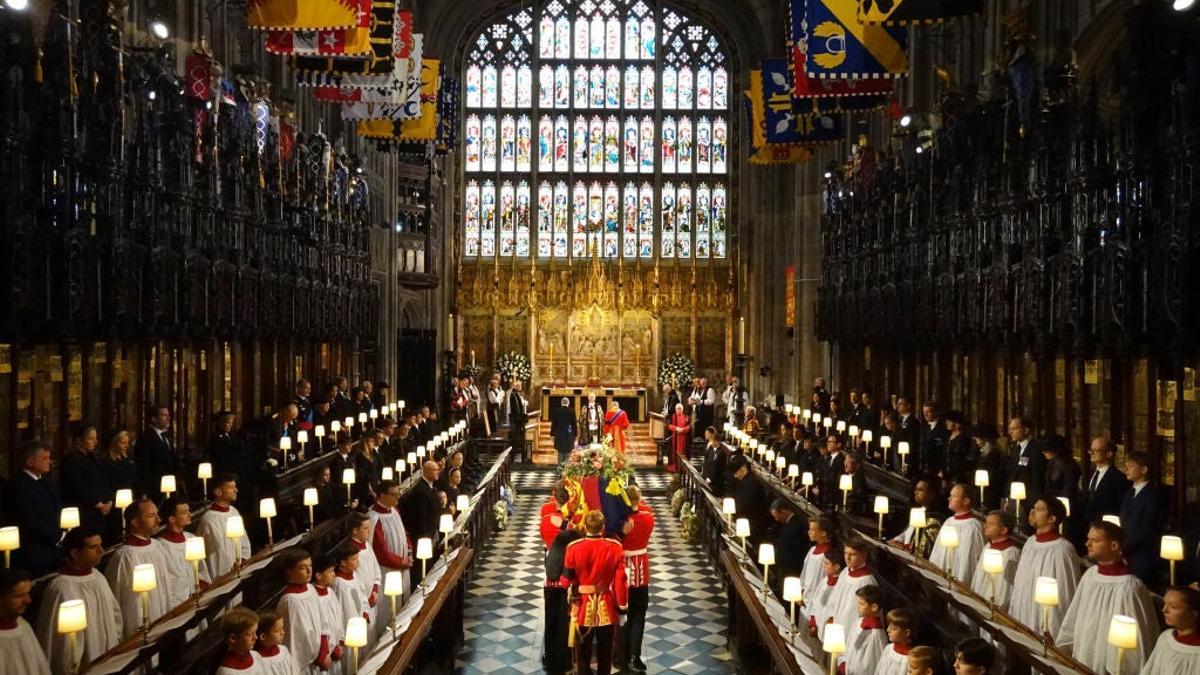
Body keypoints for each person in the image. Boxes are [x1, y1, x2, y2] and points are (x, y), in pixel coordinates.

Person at [1056, 520, 1158, 673]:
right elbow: (1075, 615)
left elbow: (1138, 641)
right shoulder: (1090, 575)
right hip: (1084, 653)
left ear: (1114, 546)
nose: (1087, 544)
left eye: (1095, 540)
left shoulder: (1130, 587)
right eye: (1088, 539)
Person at [35, 527, 122, 675]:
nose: (101, 551)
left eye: (100, 545)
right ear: (75, 553)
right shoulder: (61, 588)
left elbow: (114, 614)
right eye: (93, 547)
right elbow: (60, 642)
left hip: (107, 654)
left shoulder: (97, 576)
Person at [1008, 498, 1081, 639]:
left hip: (1045, 621)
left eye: (1039, 509)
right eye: (1033, 508)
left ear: (1052, 519)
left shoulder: (1063, 549)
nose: (1032, 512)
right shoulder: (1030, 542)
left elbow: (1065, 593)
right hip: (1023, 611)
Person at [563, 510, 624, 675]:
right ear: (603, 527)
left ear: (584, 527)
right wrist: (622, 607)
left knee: (582, 655)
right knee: (605, 655)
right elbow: (620, 581)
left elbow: (566, 580)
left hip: (582, 607)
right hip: (606, 605)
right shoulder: (615, 547)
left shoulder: (573, 548)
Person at [105, 499, 174, 637]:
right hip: (137, 621)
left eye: (157, 515)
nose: (158, 520)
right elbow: (118, 595)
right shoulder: (124, 556)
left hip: (161, 612)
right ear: (135, 522)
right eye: (151, 516)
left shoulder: (157, 546)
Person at [541, 483, 579, 675]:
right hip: (568, 577)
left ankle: (549, 656)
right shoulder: (575, 522)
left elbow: (545, 539)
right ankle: (565, 660)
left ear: (554, 496)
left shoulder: (546, 518)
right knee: (566, 619)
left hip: (551, 575)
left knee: (550, 617)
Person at [275, 550, 334, 673]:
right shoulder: (289, 601)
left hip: (319, 656)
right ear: (289, 572)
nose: (309, 571)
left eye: (310, 566)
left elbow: (322, 622)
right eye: (302, 567)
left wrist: (323, 652)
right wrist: (317, 656)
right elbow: (297, 640)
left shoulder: (311, 589)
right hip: (304, 664)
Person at [8, 439, 62, 574]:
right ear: (30, 461)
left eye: (49, 458)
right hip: (32, 550)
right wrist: (58, 535)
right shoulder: (18, 486)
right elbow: (29, 520)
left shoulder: (44, 480)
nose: (50, 461)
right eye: (44, 458)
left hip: (51, 547)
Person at [616, 485, 654, 673]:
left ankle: (621, 655)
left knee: (622, 613)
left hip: (622, 571)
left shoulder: (620, 522)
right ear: (639, 500)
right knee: (639, 614)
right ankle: (635, 655)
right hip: (640, 571)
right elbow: (645, 510)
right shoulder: (648, 518)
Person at [369, 480, 412, 633]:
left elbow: (404, 534)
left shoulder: (394, 511)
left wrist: (409, 552)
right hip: (387, 571)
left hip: (402, 566)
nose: (397, 498)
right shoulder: (374, 518)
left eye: (398, 494)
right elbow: (381, 553)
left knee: (403, 606)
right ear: (381, 495)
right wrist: (402, 563)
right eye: (393, 495)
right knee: (389, 610)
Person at [1119, 451, 1167, 585]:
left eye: (1131, 466)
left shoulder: (1153, 496)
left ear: (1144, 469)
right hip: (1125, 554)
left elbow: (1146, 529)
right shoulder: (1129, 492)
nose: (1126, 469)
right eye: (1125, 466)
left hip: (1142, 558)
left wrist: (1123, 548)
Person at [157, 496, 212, 609]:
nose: (190, 515)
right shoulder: (161, 547)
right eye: (184, 513)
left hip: (196, 598)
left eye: (189, 511)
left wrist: (202, 586)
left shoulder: (191, 538)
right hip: (177, 603)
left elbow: (201, 569)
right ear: (172, 519)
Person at [60, 423, 113, 533]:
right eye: (91, 438)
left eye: (96, 438)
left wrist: (109, 500)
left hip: (102, 508)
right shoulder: (71, 460)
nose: (95, 442)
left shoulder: (93, 457)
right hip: (86, 511)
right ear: (79, 440)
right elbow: (78, 487)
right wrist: (98, 504)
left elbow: (104, 480)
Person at [196, 475, 252, 580]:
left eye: (235, 487)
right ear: (218, 492)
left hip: (238, 571)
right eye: (231, 488)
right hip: (220, 575)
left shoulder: (234, 511)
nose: (236, 490)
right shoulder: (209, 519)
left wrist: (243, 559)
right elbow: (212, 552)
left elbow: (243, 541)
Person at [821, 538, 877, 639]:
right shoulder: (845, 572)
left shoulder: (866, 581)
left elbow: (859, 613)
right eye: (846, 553)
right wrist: (830, 617)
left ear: (864, 555)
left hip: (849, 630)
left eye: (853, 554)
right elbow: (835, 598)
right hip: (835, 624)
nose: (848, 558)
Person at [927, 484, 985, 584]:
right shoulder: (949, 521)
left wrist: (961, 584)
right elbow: (938, 551)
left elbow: (968, 561)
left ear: (966, 501)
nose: (949, 498)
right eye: (950, 495)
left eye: (953, 496)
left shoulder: (973, 526)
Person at [968, 511, 1020, 610]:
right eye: (986, 523)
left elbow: (1005, 588)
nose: (985, 526)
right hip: (980, 598)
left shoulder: (1011, 554)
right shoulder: (988, 546)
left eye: (990, 524)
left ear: (1003, 530)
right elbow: (979, 576)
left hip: (995, 606)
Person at [1142, 586, 1200, 674]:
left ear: (1194, 613)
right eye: (1164, 604)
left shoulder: (1196, 653)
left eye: (1173, 607)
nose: (1164, 610)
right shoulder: (1165, 638)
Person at [135, 404, 183, 503]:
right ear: (154, 419)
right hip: (156, 489)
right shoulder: (146, 438)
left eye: (168, 415)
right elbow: (144, 467)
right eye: (164, 415)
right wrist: (146, 493)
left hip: (170, 486)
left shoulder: (165, 436)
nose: (169, 418)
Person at [98, 429, 138, 543]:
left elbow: (133, 479)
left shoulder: (128, 459)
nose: (126, 446)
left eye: (127, 443)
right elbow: (106, 483)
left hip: (129, 498)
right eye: (123, 443)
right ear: (114, 443)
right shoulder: (105, 462)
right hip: (114, 502)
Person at [1081, 437, 1129, 525]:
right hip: (1085, 525)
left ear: (1109, 454)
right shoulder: (1089, 474)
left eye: (1097, 450)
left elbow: (1121, 506)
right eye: (1091, 450)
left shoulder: (1118, 478)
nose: (1092, 453)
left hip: (1105, 526)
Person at [346, 514, 382, 629]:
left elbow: (375, 568)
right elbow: (356, 578)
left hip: (373, 597)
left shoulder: (366, 545)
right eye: (365, 528)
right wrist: (367, 597)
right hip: (362, 602)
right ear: (355, 530)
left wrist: (375, 589)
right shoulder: (350, 552)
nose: (369, 531)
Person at [840, 585, 887, 675]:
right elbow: (849, 647)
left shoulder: (876, 635)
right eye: (858, 603)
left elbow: (872, 665)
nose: (858, 606)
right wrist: (843, 663)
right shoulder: (858, 622)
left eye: (862, 604)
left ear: (874, 607)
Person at [1005, 416, 1045, 521]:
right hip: (1014, 500)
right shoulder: (1016, 448)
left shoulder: (1036, 449)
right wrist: (1008, 499)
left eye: (1014, 429)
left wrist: (1034, 505)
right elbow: (1012, 475)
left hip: (1028, 503)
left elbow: (1037, 478)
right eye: (1010, 429)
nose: (1010, 432)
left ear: (1026, 430)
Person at [310, 555, 348, 657]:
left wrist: (340, 641)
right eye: (330, 571)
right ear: (318, 575)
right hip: (324, 652)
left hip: (336, 647)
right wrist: (330, 649)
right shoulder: (312, 597)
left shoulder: (330, 592)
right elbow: (320, 627)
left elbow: (338, 618)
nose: (334, 574)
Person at [331, 543, 369, 642]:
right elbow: (343, 610)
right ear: (343, 562)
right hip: (348, 630)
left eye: (358, 558)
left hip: (359, 623)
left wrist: (365, 611)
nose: (358, 562)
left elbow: (362, 595)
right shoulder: (339, 583)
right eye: (354, 559)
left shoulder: (354, 575)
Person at [770, 499, 810, 589]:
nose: (776, 519)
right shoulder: (787, 523)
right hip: (784, 567)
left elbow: (798, 550)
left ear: (783, 511)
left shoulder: (796, 525)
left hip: (791, 569)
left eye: (777, 516)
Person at [728, 455, 768, 543]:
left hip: (752, 526)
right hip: (744, 521)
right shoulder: (744, 481)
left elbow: (744, 505)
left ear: (743, 468)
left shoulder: (753, 483)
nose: (735, 476)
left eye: (736, 473)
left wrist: (730, 511)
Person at [216, 607, 265, 675]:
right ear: (233, 638)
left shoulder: (255, 656)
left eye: (255, 632)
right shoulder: (227, 672)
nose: (256, 637)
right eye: (250, 634)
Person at [806, 548, 844, 636]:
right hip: (816, 629)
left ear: (837, 567)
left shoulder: (841, 586)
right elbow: (815, 603)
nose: (823, 566)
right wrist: (813, 623)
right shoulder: (825, 580)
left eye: (827, 563)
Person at [802, 515, 839, 601]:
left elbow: (821, 580)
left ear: (823, 533)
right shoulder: (813, 549)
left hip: (816, 600)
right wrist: (802, 590)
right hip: (805, 597)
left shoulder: (827, 556)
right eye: (809, 529)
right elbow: (804, 572)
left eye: (812, 530)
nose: (809, 532)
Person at [255, 610, 302, 675]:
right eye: (277, 631)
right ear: (263, 636)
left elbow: (294, 671)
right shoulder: (257, 660)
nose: (283, 632)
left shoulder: (283, 650)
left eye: (282, 628)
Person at [873, 607, 915, 675]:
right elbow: (879, 670)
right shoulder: (889, 648)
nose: (888, 630)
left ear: (906, 632)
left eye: (893, 628)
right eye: (888, 626)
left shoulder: (908, 660)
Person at [942, 411, 977, 486]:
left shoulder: (964, 438)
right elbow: (944, 456)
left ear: (956, 423)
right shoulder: (948, 436)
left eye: (949, 421)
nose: (946, 423)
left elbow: (963, 459)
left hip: (958, 475)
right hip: (946, 475)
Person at [550, 397, 576, 465]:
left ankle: (560, 472)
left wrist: (552, 434)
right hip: (569, 434)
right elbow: (574, 424)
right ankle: (567, 472)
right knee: (568, 453)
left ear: (561, 403)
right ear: (568, 403)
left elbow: (554, 424)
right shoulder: (572, 411)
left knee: (560, 453)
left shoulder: (556, 410)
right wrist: (575, 435)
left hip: (559, 435)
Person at [665, 403, 690, 472]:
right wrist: (676, 428)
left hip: (683, 438)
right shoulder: (672, 417)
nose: (679, 410)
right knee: (674, 452)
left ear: (682, 409)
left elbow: (689, 427)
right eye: (677, 408)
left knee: (682, 453)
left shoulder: (686, 417)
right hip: (674, 439)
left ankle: (682, 468)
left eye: (680, 408)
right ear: (675, 409)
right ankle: (674, 467)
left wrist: (683, 429)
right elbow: (668, 425)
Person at [701, 427, 727, 494]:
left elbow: (718, 467)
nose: (711, 442)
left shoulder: (721, 452)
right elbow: (708, 463)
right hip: (708, 477)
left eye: (713, 441)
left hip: (716, 482)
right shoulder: (712, 450)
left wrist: (709, 479)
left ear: (717, 441)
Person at [509, 380, 530, 450]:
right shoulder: (514, 394)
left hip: (518, 417)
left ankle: (519, 446)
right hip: (517, 418)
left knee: (518, 432)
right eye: (520, 386)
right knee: (517, 433)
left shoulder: (516, 394)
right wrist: (521, 417)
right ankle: (517, 447)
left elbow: (520, 404)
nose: (521, 387)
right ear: (517, 387)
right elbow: (516, 407)